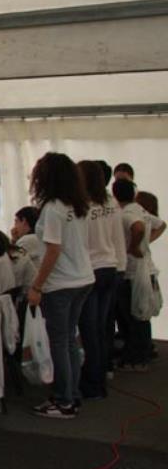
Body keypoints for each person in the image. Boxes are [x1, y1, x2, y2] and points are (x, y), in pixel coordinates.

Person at [26, 152, 94, 419]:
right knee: (68, 340)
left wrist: (37, 286)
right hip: (82, 278)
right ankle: (71, 395)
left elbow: (53, 251)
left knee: (60, 342)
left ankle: (64, 400)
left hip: (61, 283)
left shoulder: (53, 208)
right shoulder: (77, 205)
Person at [77, 160, 126, 399]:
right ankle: (101, 374)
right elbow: (117, 237)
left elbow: (80, 242)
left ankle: (92, 383)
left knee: (90, 330)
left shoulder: (82, 206)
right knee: (102, 327)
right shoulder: (110, 202)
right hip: (111, 267)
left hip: (91, 271)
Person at [114, 181, 165, 371]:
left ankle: (137, 358)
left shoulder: (126, 214)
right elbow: (161, 224)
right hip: (145, 269)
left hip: (133, 271)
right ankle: (143, 353)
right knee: (142, 315)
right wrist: (146, 243)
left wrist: (134, 246)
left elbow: (138, 228)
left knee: (133, 316)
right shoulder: (140, 210)